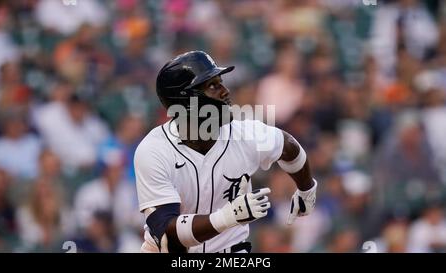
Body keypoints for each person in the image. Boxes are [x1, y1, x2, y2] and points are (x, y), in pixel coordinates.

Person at [134, 51, 317, 253]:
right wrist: (227, 217)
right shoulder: (154, 150)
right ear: (186, 101)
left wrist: (306, 189)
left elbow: (288, 145)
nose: (225, 91)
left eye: (221, 82)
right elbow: (168, 235)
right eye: (213, 85)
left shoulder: (246, 134)